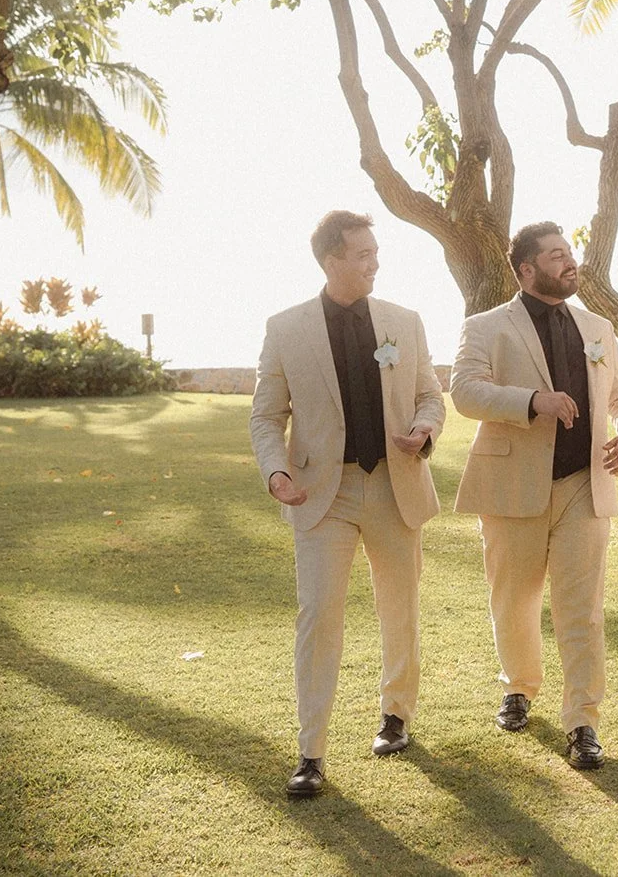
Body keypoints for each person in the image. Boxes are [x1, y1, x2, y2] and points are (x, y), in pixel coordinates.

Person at [250, 210, 446, 799]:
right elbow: (265, 417)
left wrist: (424, 430)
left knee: (399, 606)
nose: (374, 262)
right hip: (320, 495)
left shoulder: (403, 321)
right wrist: (277, 472)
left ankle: (397, 715)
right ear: (331, 260)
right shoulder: (285, 329)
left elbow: (430, 395)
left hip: (394, 484)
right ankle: (311, 752)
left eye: (375, 251)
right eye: (362, 254)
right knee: (318, 615)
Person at [450, 223, 618, 771]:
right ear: (527, 270)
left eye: (570, 252)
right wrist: (533, 400)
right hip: (511, 487)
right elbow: (464, 391)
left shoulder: (597, 326)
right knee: (514, 600)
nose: (569, 262)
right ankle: (518, 686)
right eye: (556, 255)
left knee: (581, 609)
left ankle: (583, 722)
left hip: (585, 485)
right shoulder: (486, 326)